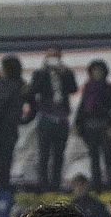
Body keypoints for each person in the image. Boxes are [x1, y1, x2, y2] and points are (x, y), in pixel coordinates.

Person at [30, 48, 78, 191]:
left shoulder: (66, 73)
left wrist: (64, 74)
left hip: (62, 118)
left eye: (56, 56)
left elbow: (73, 89)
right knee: (44, 153)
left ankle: (56, 184)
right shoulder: (39, 73)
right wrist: (45, 72)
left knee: (59, 153)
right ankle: (43, 184)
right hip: (46, 117)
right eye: (51, 57)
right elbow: (34, 89)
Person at [0, 55, 29, 189]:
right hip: (8, 128)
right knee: (4, 163)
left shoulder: (1, 84)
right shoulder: (21, 85)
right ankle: (2, 188)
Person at [75, 59, 111, 189]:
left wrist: (110, 125)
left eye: (99, 71)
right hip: (90, 126)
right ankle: (96, 183)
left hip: (104, 125)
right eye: (94, 71)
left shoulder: (109, 88)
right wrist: (78, 123)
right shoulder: (88, 88)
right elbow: (82, 107)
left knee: (107, 156)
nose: (97, 73)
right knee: (94, 156)